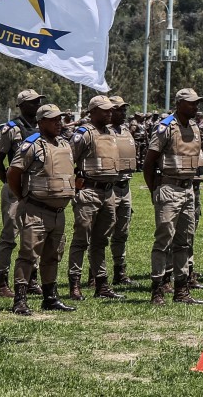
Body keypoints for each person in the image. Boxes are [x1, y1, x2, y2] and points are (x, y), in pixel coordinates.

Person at [6, 103, 78, 315]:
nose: (59, 123)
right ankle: (20, 300)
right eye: (54, 120)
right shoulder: (32, 145)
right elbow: (13, 173)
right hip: (36, 210)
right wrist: (23, 197)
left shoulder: (64, 144)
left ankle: (50, 297)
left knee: (53, 255)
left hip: (58, 212)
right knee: (28, 255)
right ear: (41, 122)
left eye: (60, 119)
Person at [144, 88, 203, 305]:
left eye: (197, 103)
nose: (195, 107)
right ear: (179, 104)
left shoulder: (195, 127)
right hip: (169, 188)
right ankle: (158, 290)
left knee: (184, 241)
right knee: (164, 240)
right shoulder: (165, 128)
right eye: (191, 103)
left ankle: (181, 291)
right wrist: (156, 190)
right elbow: (149, 162)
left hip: (188, 189)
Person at [68, 95, 133, 301]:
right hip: (89, 191)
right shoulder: (84, 133)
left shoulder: (112, 133)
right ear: (93, 112)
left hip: (109, 192)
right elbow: (68, 160)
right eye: (105, 110)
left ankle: (102, 284)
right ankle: (75, 284)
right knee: (81, 240)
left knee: (101, 240)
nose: (109, 113)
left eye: (110, 110)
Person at [0, 88, 43, 298]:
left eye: (38, 101)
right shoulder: (11, 129)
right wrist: (8, 182)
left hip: (37, 187)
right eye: (31, 102)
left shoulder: (43, 126)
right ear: (21, 106)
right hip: (15, 188)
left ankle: (32, 279)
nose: (36, 105)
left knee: (35, 234)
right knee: (9, 235)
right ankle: (2, 282)